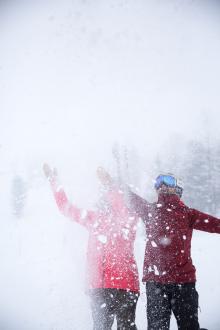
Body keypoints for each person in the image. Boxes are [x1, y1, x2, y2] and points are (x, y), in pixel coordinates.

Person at [43, 164, 140, 330]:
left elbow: (121, 209)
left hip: (125, 287)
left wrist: (110, 185)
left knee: (126, 328)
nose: (104, 203)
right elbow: (66, 209)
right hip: (98, 288)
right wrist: (54, 182)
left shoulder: (129, 219)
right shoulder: (94, 219)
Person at [129, 173, 220, 330]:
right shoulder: (149, 210)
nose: (162, 185)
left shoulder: (188, 214)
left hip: (183, 282)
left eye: (168, 181)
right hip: (156, 283)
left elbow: (215, 224)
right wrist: (111, 182)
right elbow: (128, 197)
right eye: (158, 182)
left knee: (189, 327)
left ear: (178, 188)